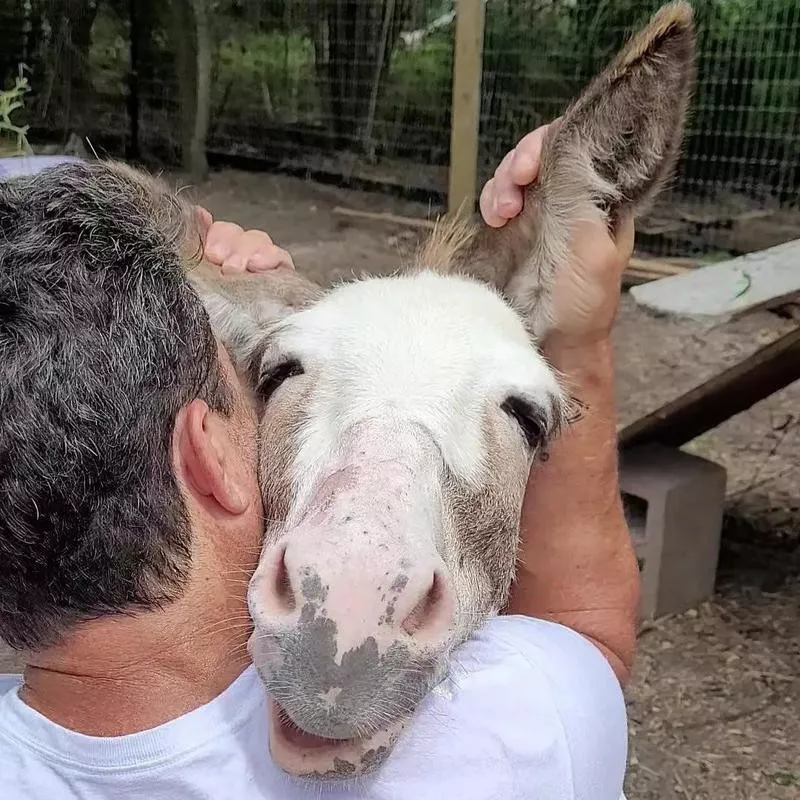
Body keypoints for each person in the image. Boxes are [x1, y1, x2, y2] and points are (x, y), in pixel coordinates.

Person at [0, 122, 638, 799]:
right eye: (257, 384)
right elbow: (587, 635)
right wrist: (579, 339)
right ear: (207, 452)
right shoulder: (507, 733)